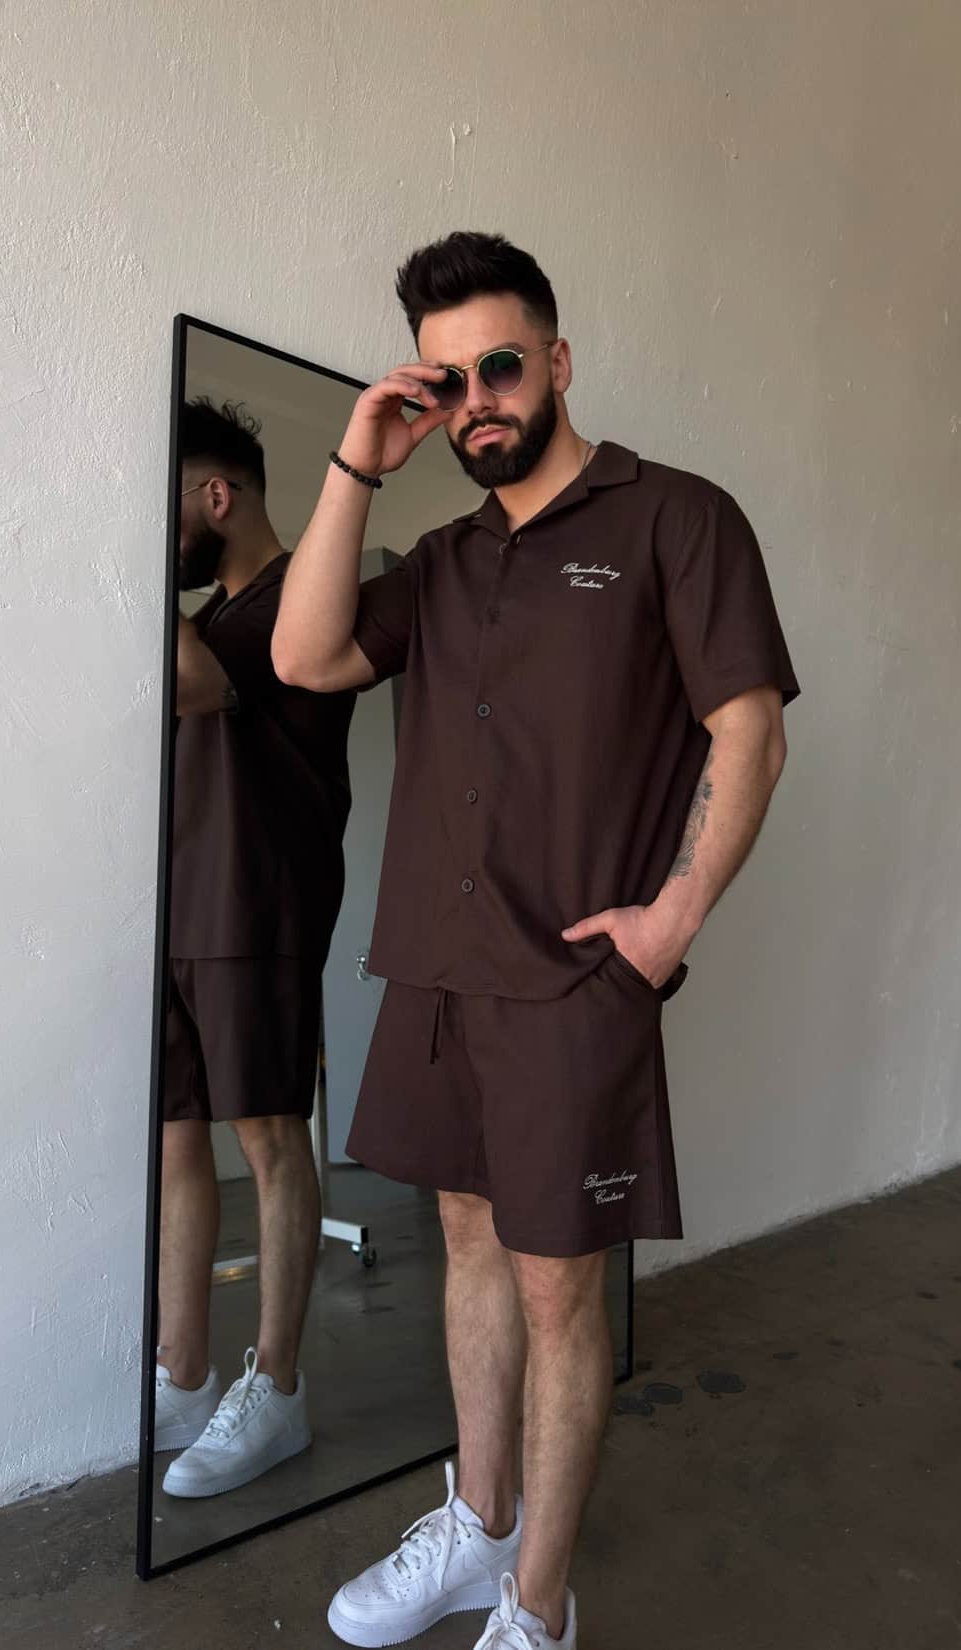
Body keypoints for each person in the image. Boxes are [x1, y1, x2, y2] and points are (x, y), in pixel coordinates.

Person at [273, 233, 799, 1648]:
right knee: (464, 1239)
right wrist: (359, 460)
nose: (477, 400)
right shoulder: (444, 560)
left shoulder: (676, 518)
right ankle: (481, 1518)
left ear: (557, 362)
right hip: (436, 970)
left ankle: (537, 1600)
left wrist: (666, 923)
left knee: (560, 1286)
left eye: (499, 366)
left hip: (573, 978)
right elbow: (303, 657)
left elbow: (749, 729)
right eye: (446, 381)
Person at [154, 398, 356, 1499]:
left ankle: (276, 1389)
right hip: (181, 907)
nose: (166, 533)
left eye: (172, 507)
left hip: (257, 906)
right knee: (177, 1138)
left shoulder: (295, 600)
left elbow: (199, 684)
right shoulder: (214, 610)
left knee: (271, 1139)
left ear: (217, 497)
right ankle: (183, 1372)